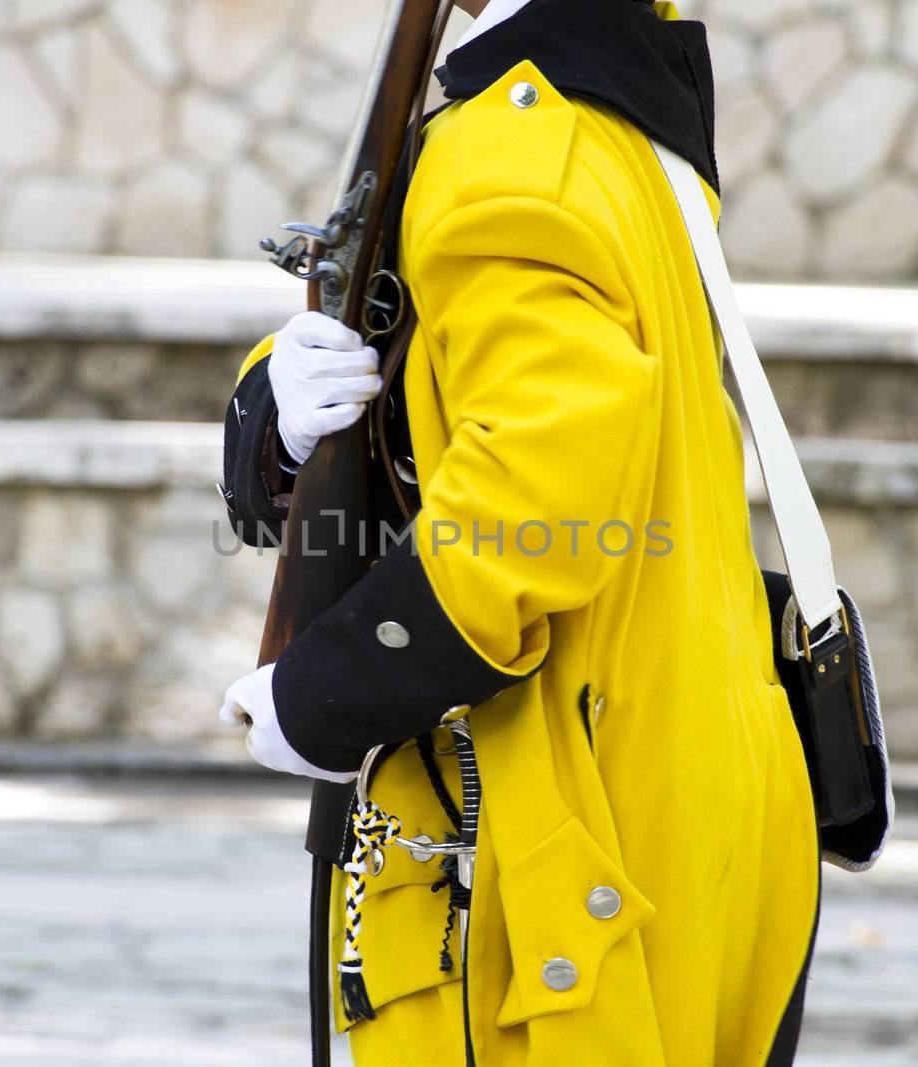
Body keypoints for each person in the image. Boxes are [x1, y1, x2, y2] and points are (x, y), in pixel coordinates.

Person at [218, 1, 820, 1063]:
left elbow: (532, 507)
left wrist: (328, 692)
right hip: (682, 791)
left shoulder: (509, 154)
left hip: (555, 844)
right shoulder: (615, 119)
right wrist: (284, 406)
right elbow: (479, 401)